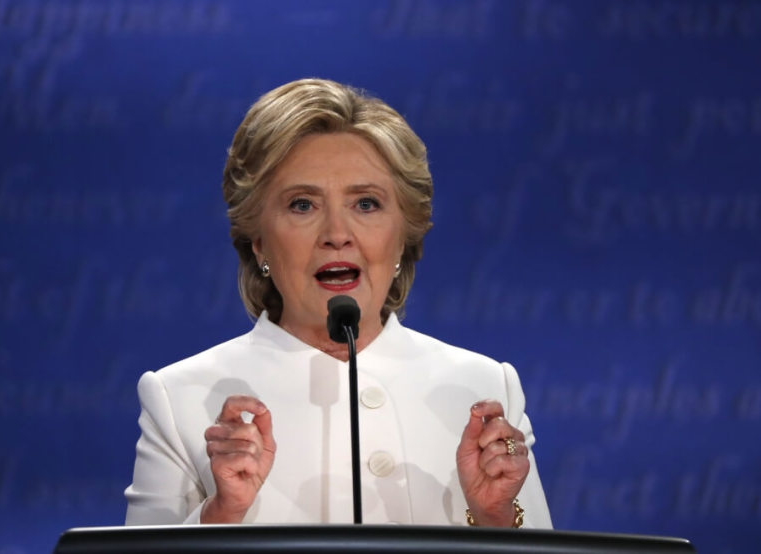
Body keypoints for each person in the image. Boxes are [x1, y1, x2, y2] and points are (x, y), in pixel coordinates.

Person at [124, 78, 552, 528]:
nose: (336, 234)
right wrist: (222, 514)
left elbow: (542, 551)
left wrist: (495, 517)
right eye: (302, 205)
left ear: (403, 236)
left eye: (366, 204)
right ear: (258, 242)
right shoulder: (181, 397)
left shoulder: (484, 387)